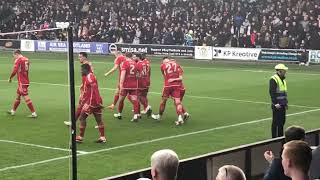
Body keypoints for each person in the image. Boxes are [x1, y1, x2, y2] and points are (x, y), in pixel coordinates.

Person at [152, 57, 189, 126]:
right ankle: (180, 118)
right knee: (178, 102)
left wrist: (171, 79)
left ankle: (159, 116)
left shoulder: (163, 65)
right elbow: (180, 75)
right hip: (177, 85)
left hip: (168, 85)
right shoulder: (176, 64)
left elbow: (164, 74)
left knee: (163, 101)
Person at [76, 64, 106, 143]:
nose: (80, 71)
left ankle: (80, 137)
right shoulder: (90, 76)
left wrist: (98, 102)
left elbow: (95, 89)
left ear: (85, 69)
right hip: (94, 101)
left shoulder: (90, 77)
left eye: (81, 69)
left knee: (82, 118)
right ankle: (102, 137)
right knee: (98, 119)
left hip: (91, 102)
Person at [64, 52, 94, 126]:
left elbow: (91, 75)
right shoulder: (85, 65)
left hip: (86, 91)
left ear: (84, 57)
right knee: (83, 106)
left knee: (81, 106)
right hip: (85, 89)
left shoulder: (87, 65)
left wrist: (85, 86)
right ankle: (100, 123)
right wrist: (82, 84)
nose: (79, 58)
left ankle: (73, 122)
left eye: (80, 57)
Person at [7, 49, 37, 118]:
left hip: (22, 82)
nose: (14, 57)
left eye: (14, 56)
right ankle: (13, 111)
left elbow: (15, 70)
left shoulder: (19, 60)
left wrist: (10, 78)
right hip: (25, 80)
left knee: (26, 97)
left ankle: (34, 113)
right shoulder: (26, 59)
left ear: (17, 54)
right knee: (18, 96)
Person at [113, 52, 140, 122]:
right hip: (134, 85)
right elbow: (138, 75)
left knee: (121, 99)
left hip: (126, 85)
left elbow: (123, 75)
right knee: (135, 100)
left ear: (125, 56)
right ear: (131, 56)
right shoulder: (135, 63)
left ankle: (119, 114)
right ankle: (135, 115)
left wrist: (121, 84)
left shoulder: (125, 63)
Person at [269, 64, 288, 138]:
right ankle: (274, 138)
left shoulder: (283, 79)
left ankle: (280, 137)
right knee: (276, 122)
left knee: (282, 122)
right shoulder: (274, 79)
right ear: (280, 71)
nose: (285, 71)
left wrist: (286, 103)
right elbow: (272, 92)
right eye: (284, 70)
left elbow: (284, 92)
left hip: (282, 104)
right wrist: (275, 103)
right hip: (277, 105)